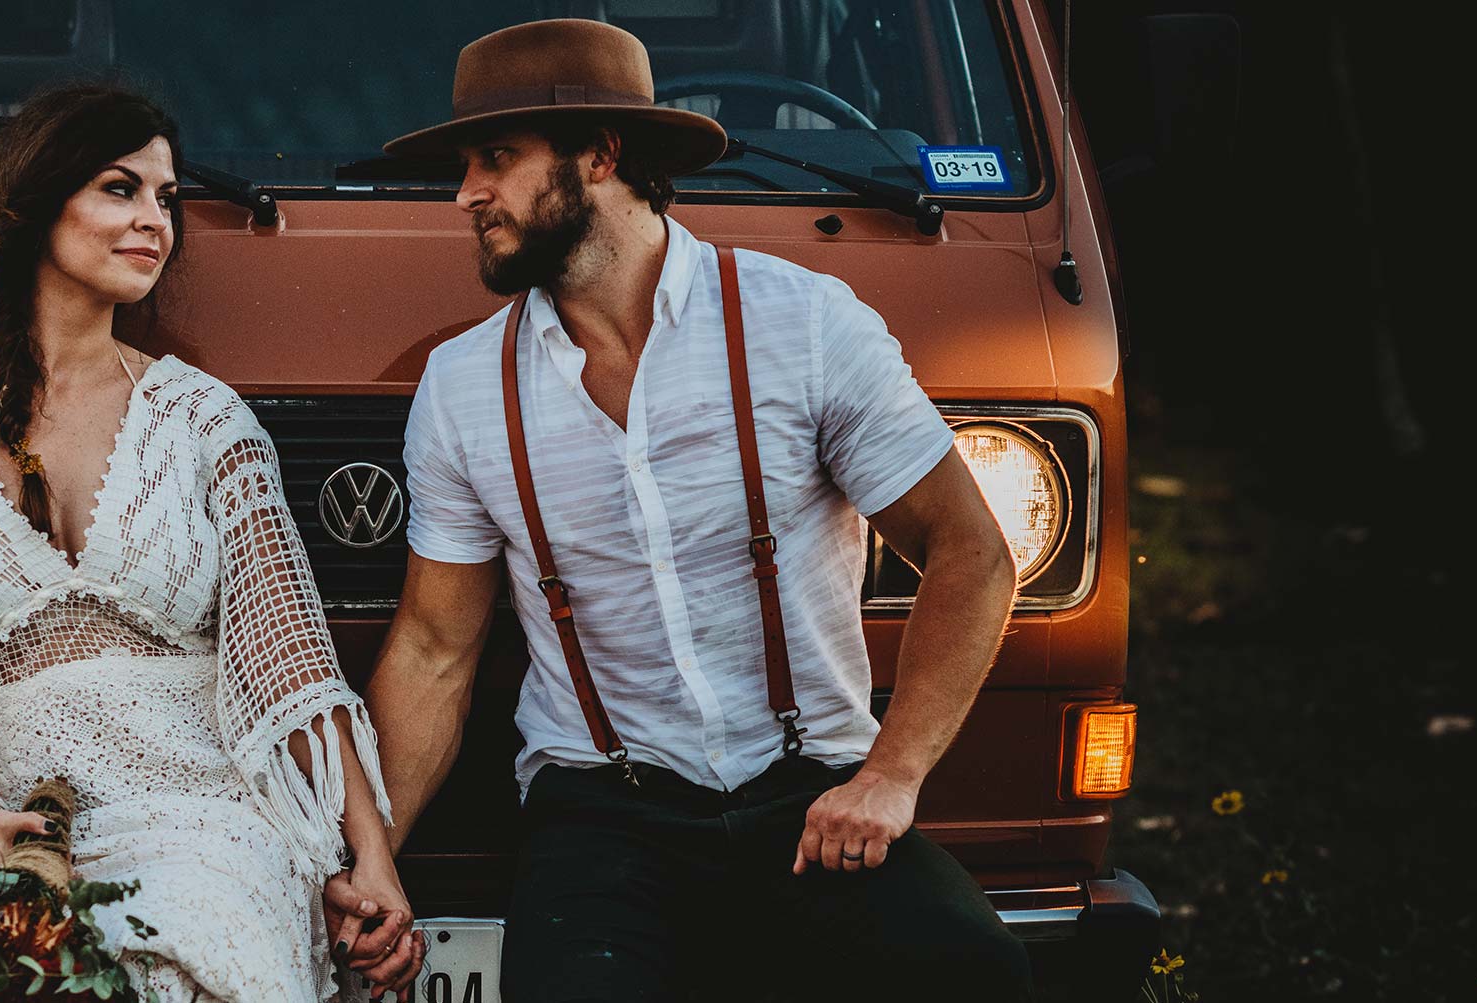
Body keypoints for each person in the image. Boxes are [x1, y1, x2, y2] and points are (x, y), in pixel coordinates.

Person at [349, 19, 1037, 1001]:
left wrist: (889, 775)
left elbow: (971, 552)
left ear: (600, 153)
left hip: (806, 788)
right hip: (600, 813)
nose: (466, 193)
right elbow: (431, 648)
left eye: (494, 158)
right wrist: (373, 854)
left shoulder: (801, 325)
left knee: (972, 970)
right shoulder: (463, 388)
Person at [0, 83, 424, 1003]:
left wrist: (373, 855)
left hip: (205, 813)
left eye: (167, 200)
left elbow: (290, 664)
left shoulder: (202, 419)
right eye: (122, 188)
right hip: (7, 817)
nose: (155, 221)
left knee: (193, 932)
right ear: (38, 202)